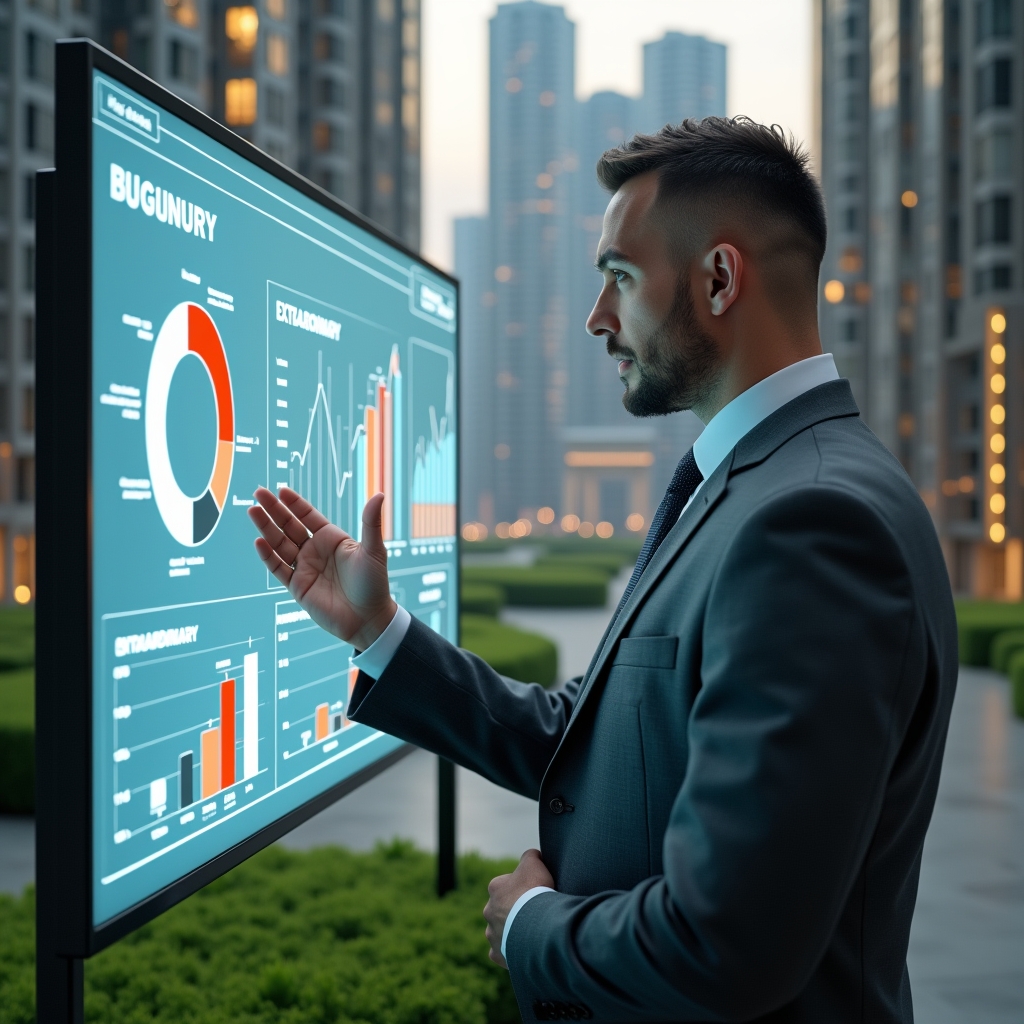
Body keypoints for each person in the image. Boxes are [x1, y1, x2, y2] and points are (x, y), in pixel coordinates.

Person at [249, 117, 957, 1023]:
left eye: (619, 277)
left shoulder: (812, 526)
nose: (598, 318)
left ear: (718, 278)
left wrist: (529, 927)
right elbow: (600, 739)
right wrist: (378, 632)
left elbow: (727, 944)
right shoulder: (754, 487)